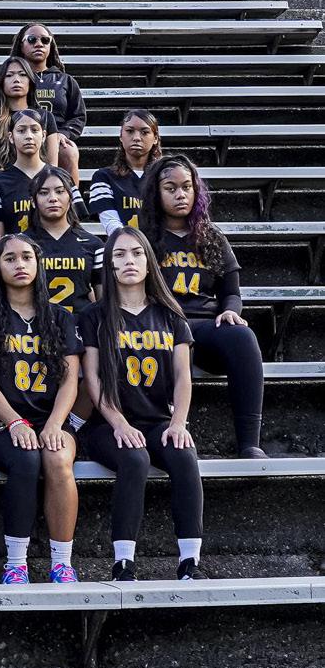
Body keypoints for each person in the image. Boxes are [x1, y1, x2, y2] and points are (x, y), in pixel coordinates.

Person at [79, 227, 205, 581]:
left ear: (149, 262)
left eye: (136, 253)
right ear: (109, 265)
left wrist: (178, 423)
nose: (129, 261)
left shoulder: (171, 314)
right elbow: (93, 379)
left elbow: (182, 376)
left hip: (157, 420)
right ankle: (123, 563)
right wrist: (118, 422)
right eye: (119, 255)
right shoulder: (94, 316)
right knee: (135, 459)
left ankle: (190, 562)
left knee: (184, 454)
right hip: (108, 425)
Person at [0, 234, 81, 584]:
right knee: (26, 459)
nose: (20, 265)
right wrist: (15, 422)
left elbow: (70, 381)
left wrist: (56, 424)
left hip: (51, 419)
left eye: (27, 257)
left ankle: (62, 563)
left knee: (57, 459)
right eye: (10, 259)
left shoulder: (60, 317)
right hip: (2, 422)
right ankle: (16, 564)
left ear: (38, 263)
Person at [138, 154, 266, 458]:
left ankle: (250, 442)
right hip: (163, 326)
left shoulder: (211, 236)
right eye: (170, 188)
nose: (180, 195)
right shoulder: (144, 238)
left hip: (205, 326)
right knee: (174, 344)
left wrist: (230, 311)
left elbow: (231, 292)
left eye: (186, 187)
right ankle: (171, 433)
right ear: (156, 193)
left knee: (242, 336)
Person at [0, 109, 84, 238]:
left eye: (34, 130)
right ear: (11, 137)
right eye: (21, 130)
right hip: (17, 249)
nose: (29, 136)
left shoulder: (62, 178)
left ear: (44, 135)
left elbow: (75, 225)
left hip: (55, 248)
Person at [11, 23, 85, 184]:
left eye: (45, 40)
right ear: (21, 45)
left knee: (69, 151)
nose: (39, 44)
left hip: (56, 137)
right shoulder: (13, 79)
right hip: (22, 134)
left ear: (51, 45)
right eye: (32, 39)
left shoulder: (65, 80)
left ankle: (71, 197)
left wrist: (63, 134)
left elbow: (78, 116)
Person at [26, 166, 102, 313]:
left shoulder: (94, 245)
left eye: (60, 191)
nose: (53, 198)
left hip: (80, 324)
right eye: (43, 192)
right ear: (33, 201)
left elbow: (103, 302)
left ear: (71, 198)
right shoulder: (22, 244)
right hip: (36, 325)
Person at [0, 56, 62, 179]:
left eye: (22, 75)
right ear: (1, 82)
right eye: (9, 75)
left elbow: (52, 164)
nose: (16, 80)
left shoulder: (45, 116)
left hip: (39, 183)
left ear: (30, 81)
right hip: (1, 184)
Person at [89, 109, 163, 234]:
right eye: (129, 131)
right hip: (123, 243)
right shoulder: (103, 177)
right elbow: (112, 224)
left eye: (145, 132)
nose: (136, 138)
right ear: (121, 136)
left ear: (155, 138)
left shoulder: (164, 176)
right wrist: (129, 242)